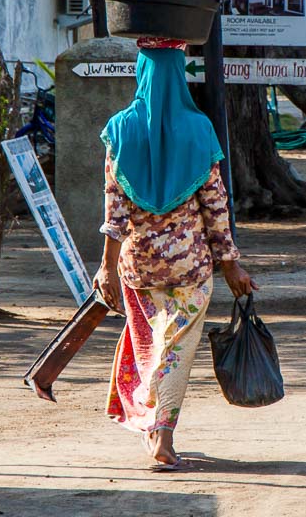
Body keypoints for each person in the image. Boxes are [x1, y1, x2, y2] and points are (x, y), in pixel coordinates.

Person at [95, 37, 258, 471]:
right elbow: (217, 207)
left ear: (142, 74)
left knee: (149, 345)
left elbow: (115, 212)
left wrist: (106, 269)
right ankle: (163, 436)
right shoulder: (199, 129)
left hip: (138, 269)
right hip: (190, 268)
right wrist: (231, 265)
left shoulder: (119, 129)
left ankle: (152, 427)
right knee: (176, 350)